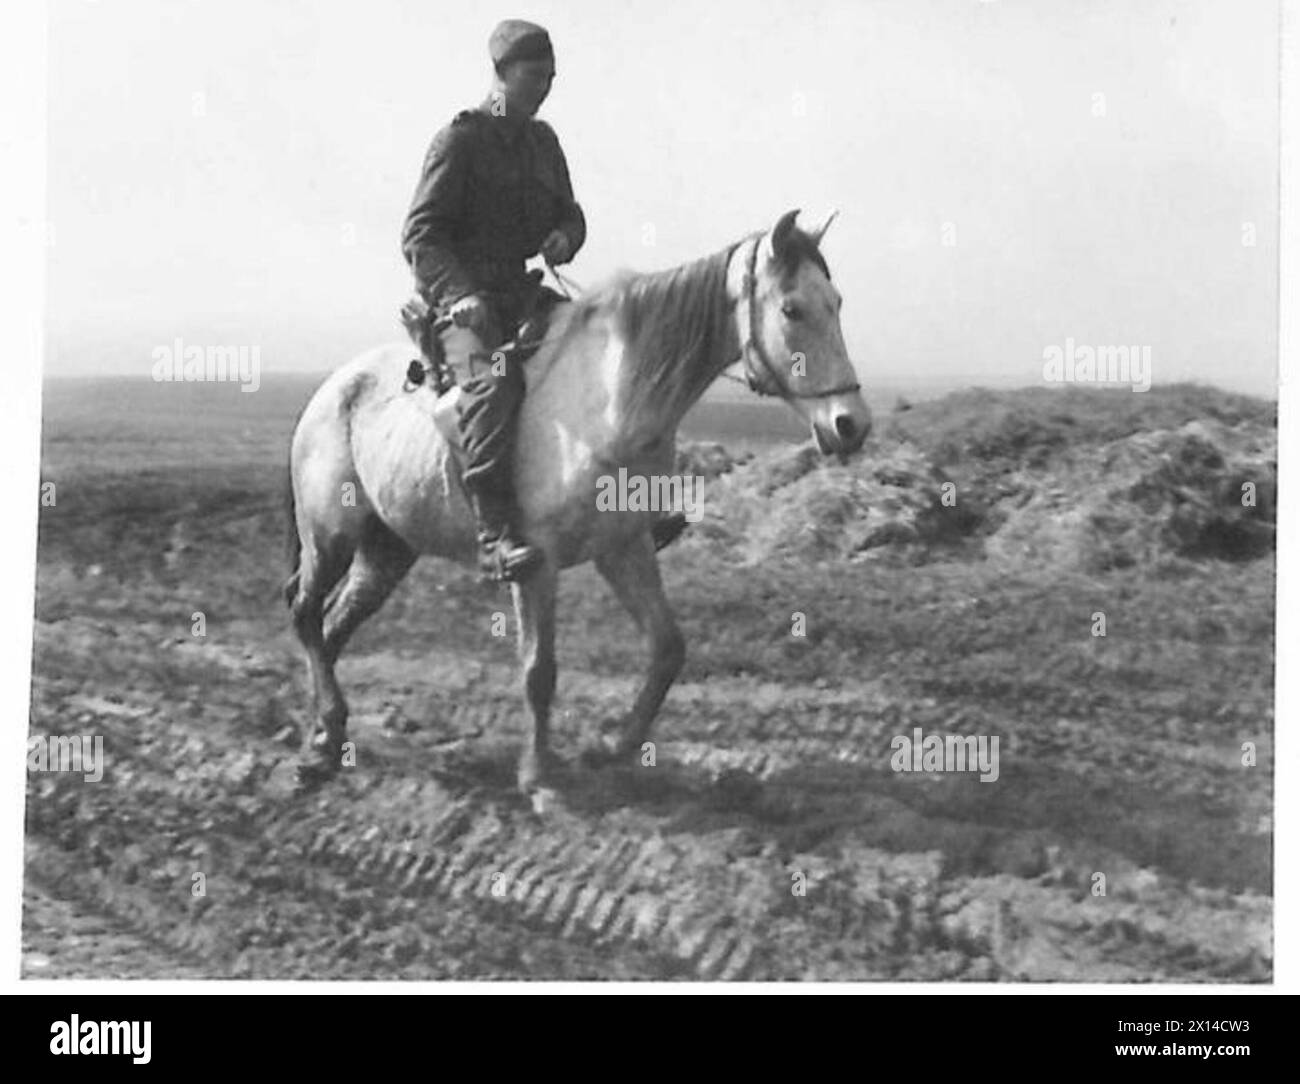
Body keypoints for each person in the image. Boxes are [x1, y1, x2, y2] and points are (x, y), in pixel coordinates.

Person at [401, 19, 584, 582]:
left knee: (594, 352)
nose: (543, 88)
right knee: (495, 384)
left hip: (523, 292)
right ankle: (495, 535)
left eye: (551, 78)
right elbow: (420, 235)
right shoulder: (462, 140)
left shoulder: (543, 142)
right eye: (533, 76)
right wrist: (460, 294)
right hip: (465, 304)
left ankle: (617, 511)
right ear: (501, 74)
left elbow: (569, 213)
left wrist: (566, 237)